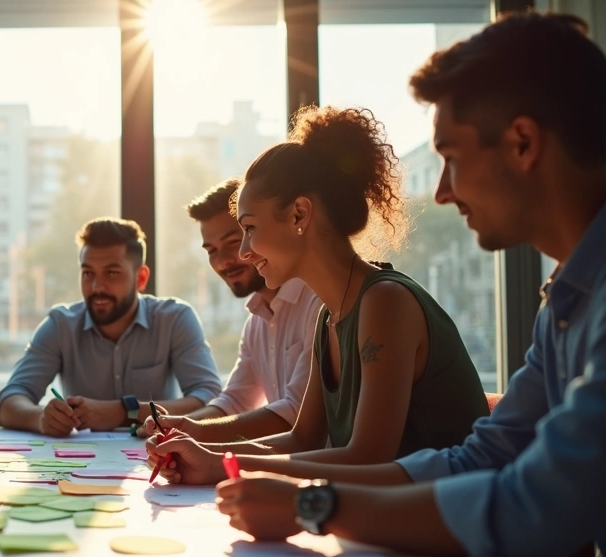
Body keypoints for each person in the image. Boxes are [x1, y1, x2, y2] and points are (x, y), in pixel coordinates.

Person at [160, 13, 606, 557]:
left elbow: (532, 504)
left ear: (523, 144)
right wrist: (243, 469)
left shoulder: (388, 301)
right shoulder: (565, 301)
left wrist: (312, 503)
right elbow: (481, 458)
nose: (441, 191)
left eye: (451, 157)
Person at [148, 105, 488, 478]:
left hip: (453, 511)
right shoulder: (329, 315)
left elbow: (370, 457)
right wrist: (203, 453)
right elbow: (301, 439)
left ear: (299, 214)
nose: (244, 251)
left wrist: (222, 464)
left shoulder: (385, 301)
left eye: (249, 228)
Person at [0, 217, 222, 437]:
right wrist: (40, 418)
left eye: (112, 273)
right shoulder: (60, 325)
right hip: (80, 459)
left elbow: (212, 399)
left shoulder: (174, 319)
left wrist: (125, 411)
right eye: (88, 273)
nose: (97, 287)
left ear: (141, 278)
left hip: (155, 455)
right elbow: (9, 400)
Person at [135, 179, 323, 443]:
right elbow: (234, 401)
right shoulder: (256, 323)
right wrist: (175, 428)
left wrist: (189, 432)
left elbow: (296, 413)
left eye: (233, 242)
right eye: (211, 251)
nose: (223, 262)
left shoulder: (319, 303)